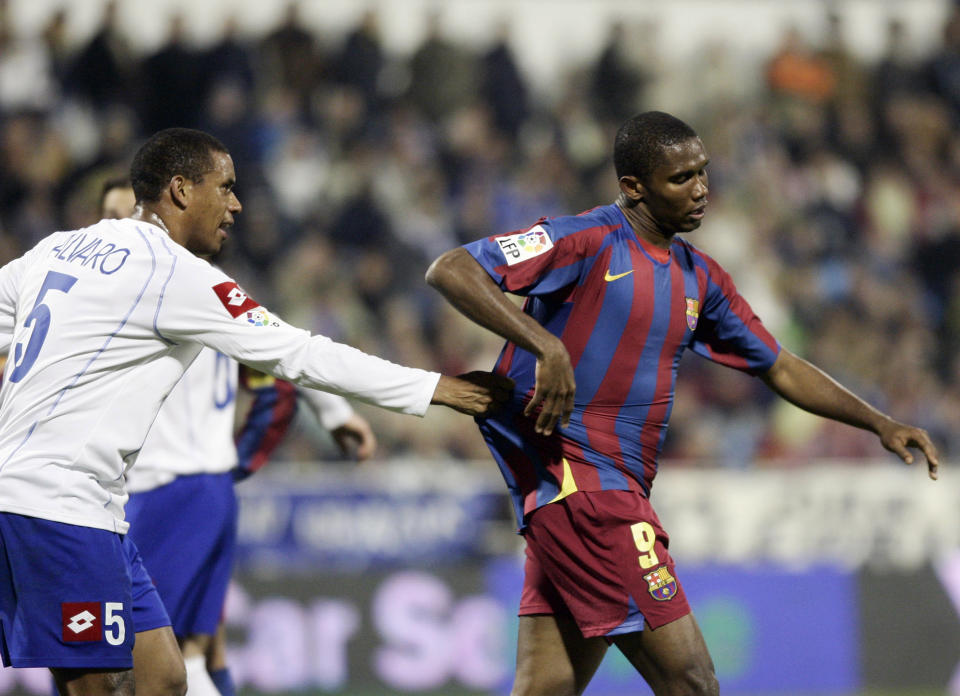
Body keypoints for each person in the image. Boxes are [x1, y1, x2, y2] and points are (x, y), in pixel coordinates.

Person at [425, 110, 939, 696]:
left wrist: (878, 421)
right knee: (692, 682)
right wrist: (544, 344)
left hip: (585, 495)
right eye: (681, 178)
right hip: (586, 487)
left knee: (546, 688)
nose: (700, 190)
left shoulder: (701, 277)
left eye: (703, 173)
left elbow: (781, 366)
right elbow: (453, 269)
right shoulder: (585, 240)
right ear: (632, 188)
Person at [0, 127, 510, 696]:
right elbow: (301, 353)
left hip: (82, 504)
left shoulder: (55, 249)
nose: (237, 205)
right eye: (226, 187)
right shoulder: (175, 273)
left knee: (164, 676)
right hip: (58, 507)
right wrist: (443, 389)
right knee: (98, 687)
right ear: (180, 190)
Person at [96, 179, 376, 696]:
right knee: (199, 647)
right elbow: (279, 348)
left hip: (171, 487)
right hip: (184, 490)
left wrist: (237, 460)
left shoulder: (169, 290)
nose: (120, 225)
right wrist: (333, 410)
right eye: (108, 216)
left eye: (126, 213)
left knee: (154, 657)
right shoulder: (195, 285)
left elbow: (281, 356)